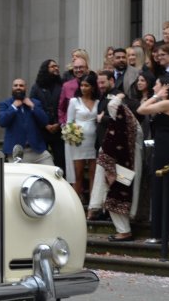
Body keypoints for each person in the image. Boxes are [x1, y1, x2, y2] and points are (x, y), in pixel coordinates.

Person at [88, 94, 141, 241]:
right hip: (121, 166)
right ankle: (122, 228)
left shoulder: (123, 125)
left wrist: (118, 96)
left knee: (116, 193)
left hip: (120, 168)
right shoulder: (129, 124)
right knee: (115, 193)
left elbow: (113, 105)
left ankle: (124, 231)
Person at [138, 80, 169, 244]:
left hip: (166, 147)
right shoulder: (164, 104)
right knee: (158, 189)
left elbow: (141, 109)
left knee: (163, 188)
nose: (153, 87)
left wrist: (156, 96)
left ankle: (163, 233)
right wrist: (156, 96)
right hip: (160, 146)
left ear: (165, 88)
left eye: (156, 84)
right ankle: (158, 232)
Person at [0, 78, 53, 165]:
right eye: (16, 85)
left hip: (38, 151)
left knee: (51, 173)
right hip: (16, 153)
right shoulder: (5, 104)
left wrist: (32, 106)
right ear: (12, 88)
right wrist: (13, 107)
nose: (18, 87)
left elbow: (44, 121)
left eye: (21, 85)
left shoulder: (35, 103)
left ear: (25, 88)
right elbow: (2, 121)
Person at [64, 72, 99, 202]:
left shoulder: (98, 102)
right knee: (78, 174)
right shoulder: (74, 101)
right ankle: (74, 204)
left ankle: (93, 205)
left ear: (93, 87)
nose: (83, 88)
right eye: (82, 85)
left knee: (93, 174)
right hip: (78, 143)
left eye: (87, 85)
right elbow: (69, 122)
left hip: (94, 142)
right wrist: (73, 139)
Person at [29, 59, 65, 170]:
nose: (56, 68)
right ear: (46, 69)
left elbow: (65, 107)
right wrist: (45, 125)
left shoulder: (62, 85)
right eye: (53, 66)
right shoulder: (36, 87)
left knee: (61, 160)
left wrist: (58, 124)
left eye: (57, 66)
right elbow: (33, 107)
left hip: (58, 130)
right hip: (42, 130)